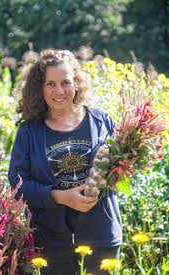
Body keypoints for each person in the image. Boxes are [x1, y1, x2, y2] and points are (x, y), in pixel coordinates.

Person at [8, 49, 122, 275]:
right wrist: (59, 197)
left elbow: (121, 169)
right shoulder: (29, 131)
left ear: (76, 83)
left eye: (65, 82)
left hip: (100, 235)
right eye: (50, 83)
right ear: (39, 88)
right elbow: (17, 184)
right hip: (50, 240)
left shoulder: (102, 120)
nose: (59, 90)